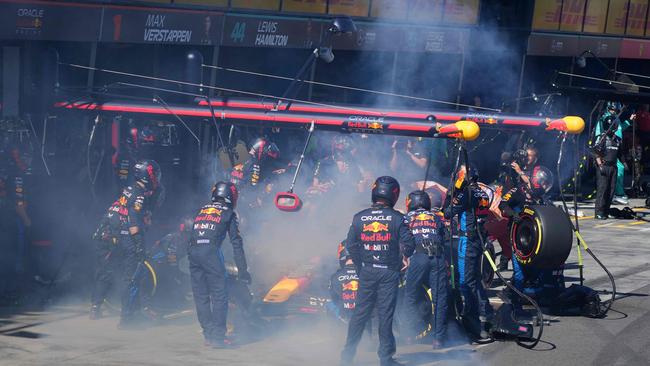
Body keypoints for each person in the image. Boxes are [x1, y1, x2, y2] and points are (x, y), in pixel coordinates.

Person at [340, 176, 415, 366]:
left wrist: (360, 265)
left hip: (367, 271)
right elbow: (410, 245)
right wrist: (403, 259)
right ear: (394, 194)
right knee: (385, 315)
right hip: (389, 272)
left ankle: (347, 356)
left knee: (360, 314)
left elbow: (350, 245)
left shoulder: (359, 217)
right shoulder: (398, 217)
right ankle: (386, 359)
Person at [90, 160, 162, 324]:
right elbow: (133, 219)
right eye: (155, 174)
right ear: (148, 176)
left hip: (112, 236)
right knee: (131, 277)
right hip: (125, 238)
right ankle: (128, 317)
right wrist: (138, 244)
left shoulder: (129, 190)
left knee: (106, 273)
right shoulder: (140, 195)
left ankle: (95, 308)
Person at [189, 181, 251, 348]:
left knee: (201, 296)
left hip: (193, 253)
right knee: (219, 295)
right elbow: (236, 243)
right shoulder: (228, 213)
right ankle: (218, 337)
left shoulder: (201, 210)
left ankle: (208, 335)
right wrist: (243, 272)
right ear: (231, 196)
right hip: (210, 252)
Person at [443, 165, 492, 341]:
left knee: (465, 281)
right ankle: (485, 312)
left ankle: (472, 318)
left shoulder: (466, 194)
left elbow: (447, 212)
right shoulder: (483, 193)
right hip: (479, 240)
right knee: (476, 279)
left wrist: (453, 191)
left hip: (468, 240)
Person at [403, 190, 448, 349]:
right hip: (437, 257)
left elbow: (403, 239)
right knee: (440, 299)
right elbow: (444, 237)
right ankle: (438, 339)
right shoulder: (435, 217)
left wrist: (405, 256)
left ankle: (408, 335)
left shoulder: (406, 218)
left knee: (410, 295)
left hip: (418, 257)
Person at [594, 101, 636, 204]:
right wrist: (600, 144)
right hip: (607, 148)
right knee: (618, 169)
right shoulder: (604, 118)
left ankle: (614, 194)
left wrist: (629, 121)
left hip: (615, 147)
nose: (616, 111)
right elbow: (599, 132)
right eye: (614, 109)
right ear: (609, 108)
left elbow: (620, 128)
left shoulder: (616, 119)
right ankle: (618, 194)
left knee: (618, 169)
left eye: (617, 110)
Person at [591, 115, 622, 219]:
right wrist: (600, 165)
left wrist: (626, 163)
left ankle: (606, 211)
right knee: (602, 189)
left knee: (611, 190)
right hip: (603, 166)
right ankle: (599, 213)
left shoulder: (618, 140)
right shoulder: (602, 138)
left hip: (613, 167)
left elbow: (620, 153)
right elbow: (596, 152)